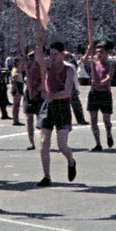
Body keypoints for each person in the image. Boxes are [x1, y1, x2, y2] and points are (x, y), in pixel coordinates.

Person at [36, 41, 78, 186]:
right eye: (51, 54)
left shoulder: (69, 69)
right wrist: (39, 44)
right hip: (48, 106)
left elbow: (66, 92)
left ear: (62, 54)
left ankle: (71, 161)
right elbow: (39, 59)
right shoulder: (47, 66)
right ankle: (46, 176)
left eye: (56, 54)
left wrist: (50, 95)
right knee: (44, 143)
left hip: (62, 106)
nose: (52, 57)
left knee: (62, 145)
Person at [86, 41, 115, 151]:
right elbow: (83, 61)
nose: (99, 54)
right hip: (94, 93)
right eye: (97, 52)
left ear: (106, 53)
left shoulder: (110, 64)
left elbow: (109, 77)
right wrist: (88, 50)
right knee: (93, 120)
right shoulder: (93, 63)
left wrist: (100, 82)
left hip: (105, 93)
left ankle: (108, 133)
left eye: (101, 52)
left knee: (106, 120)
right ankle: (98, 143)